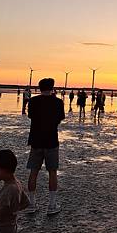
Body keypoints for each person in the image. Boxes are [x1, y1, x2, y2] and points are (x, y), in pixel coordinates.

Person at [27, 78, 65, 215]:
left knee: (33, 172)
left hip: (35, 140)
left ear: (39, 88)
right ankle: (52, 205)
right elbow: (60, 118)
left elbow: (30, 116)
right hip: (51, 141)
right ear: (52, 87)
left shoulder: (33, 101)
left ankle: (31, 203)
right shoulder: (58, 102)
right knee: (52, 172)